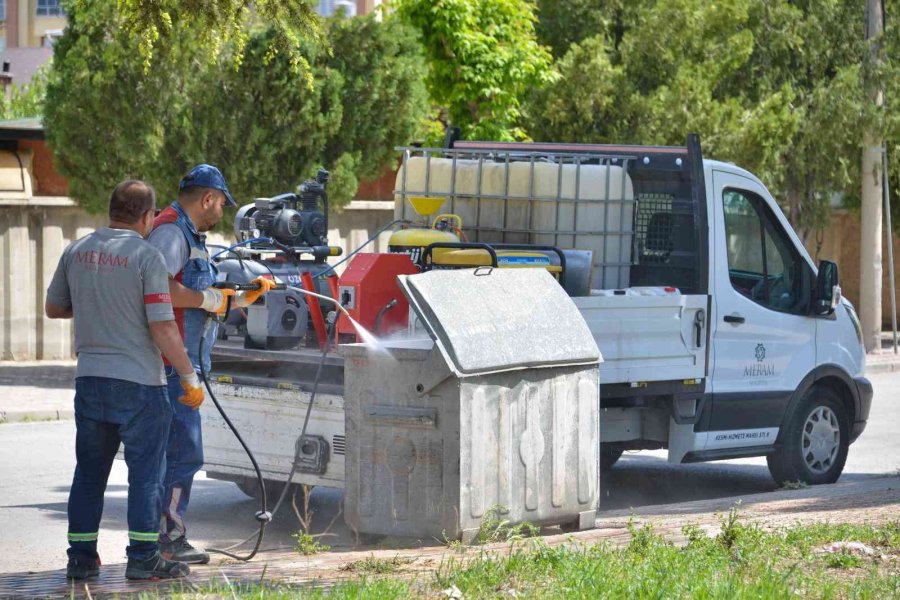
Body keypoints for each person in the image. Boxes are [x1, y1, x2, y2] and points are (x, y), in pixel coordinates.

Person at [46, 180, 205, 581]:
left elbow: (54, 307)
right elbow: (163, 326)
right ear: (149, 217)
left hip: (90, 382)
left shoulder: (76, 250)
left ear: (112, 210)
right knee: (146, 476)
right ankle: (143, 557)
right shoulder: (146, 257)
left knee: (88, 474)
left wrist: (98, 306)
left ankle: (80, 560)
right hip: (139, 386)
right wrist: (189, 377)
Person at [148, 164, 274, 564]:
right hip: (172, 365)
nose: (221, 209)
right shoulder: (171, 232)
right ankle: (168, 540)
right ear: (207, 198)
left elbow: (202, 293)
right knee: (183, 455)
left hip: (184, 363)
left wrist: (243, 297)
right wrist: (210, 300)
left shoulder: (188, 235)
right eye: (221, 202)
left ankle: (163, 539)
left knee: (179, 454)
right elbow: (163, 289)